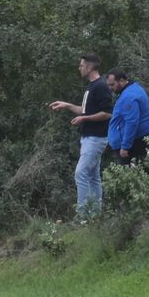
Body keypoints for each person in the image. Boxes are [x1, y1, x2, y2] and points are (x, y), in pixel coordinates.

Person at [49, 53, 113, 218]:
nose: (80, 68)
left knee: (81, 173)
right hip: (88, 137)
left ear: (90, 67)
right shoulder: (91, 86)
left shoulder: (101, 86)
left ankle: (83, 215)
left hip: (96, 138)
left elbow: (107, 113)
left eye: (82, 65)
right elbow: (85, 111)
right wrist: (67, 105)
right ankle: (95, 215)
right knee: (92, 176)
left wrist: (84, 118)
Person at [106, 69, 149, 166]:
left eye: (112, 85)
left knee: (132, 176)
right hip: (138, 140)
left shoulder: (128, 96)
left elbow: (132, 122)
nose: (110, 88)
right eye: (109, 85)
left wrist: (125, 146)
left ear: (122, 81)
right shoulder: (135, 88)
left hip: (132, 145)